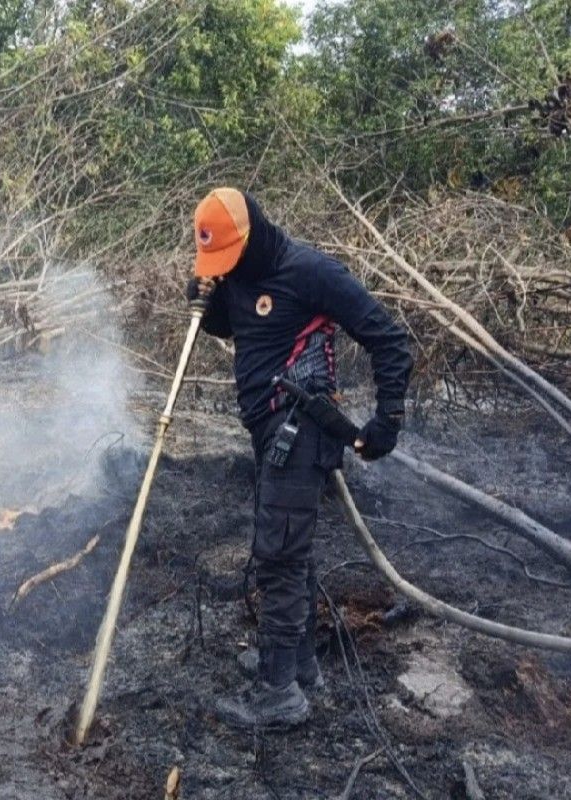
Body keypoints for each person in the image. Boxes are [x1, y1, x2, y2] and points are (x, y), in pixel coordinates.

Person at [186, 187, 413, 729]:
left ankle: (279, 692)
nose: (228, 270)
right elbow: (237, 323)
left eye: (230, 259)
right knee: (290, 548)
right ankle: (299, 662)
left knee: (280, 557)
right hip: (267, 432)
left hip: (302, 429)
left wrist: (387, 422)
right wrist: (200, 296)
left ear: (254, 235)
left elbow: (389, 339)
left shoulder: (310, 271)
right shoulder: (238, 274)